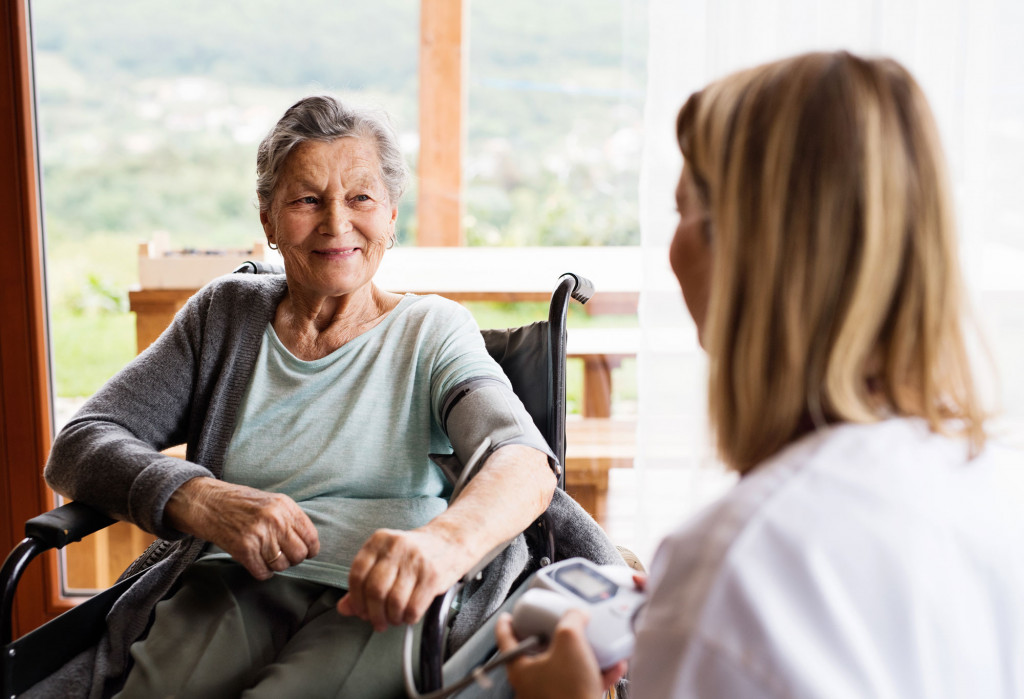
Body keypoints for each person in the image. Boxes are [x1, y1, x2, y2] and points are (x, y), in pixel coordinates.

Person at [496, 51, 1024, 698]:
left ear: (746, 249)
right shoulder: (993, 478)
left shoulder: (740, 564)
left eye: (680, 210)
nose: (672, 248)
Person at [40, 95, 568, 698]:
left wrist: (443, 545)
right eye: (306, 200)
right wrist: (198, 497)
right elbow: (81, 442)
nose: (337, 224)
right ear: (268, 218)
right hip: (230, 580)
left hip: (380, 594)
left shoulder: (432, 331)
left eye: (361, 198)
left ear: (392, 214)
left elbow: (521, 461)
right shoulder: (224, 316)